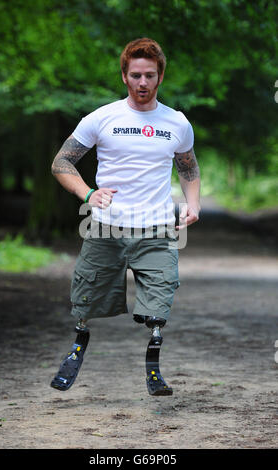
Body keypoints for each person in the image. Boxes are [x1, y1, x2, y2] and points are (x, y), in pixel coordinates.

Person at [50, 38, 200, 396]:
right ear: (124, 76)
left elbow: (189, 168)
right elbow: (61, 162)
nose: (143, 83)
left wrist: (193, 203)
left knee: (160, 302)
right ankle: (78, 344)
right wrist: (87, 192)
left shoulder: (177, 123)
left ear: (160, 76)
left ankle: (154, 363)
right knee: (86, 296)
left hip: (159, 229)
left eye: (150, 75)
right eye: (136, 75)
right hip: (105, 226)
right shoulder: (102, 118)